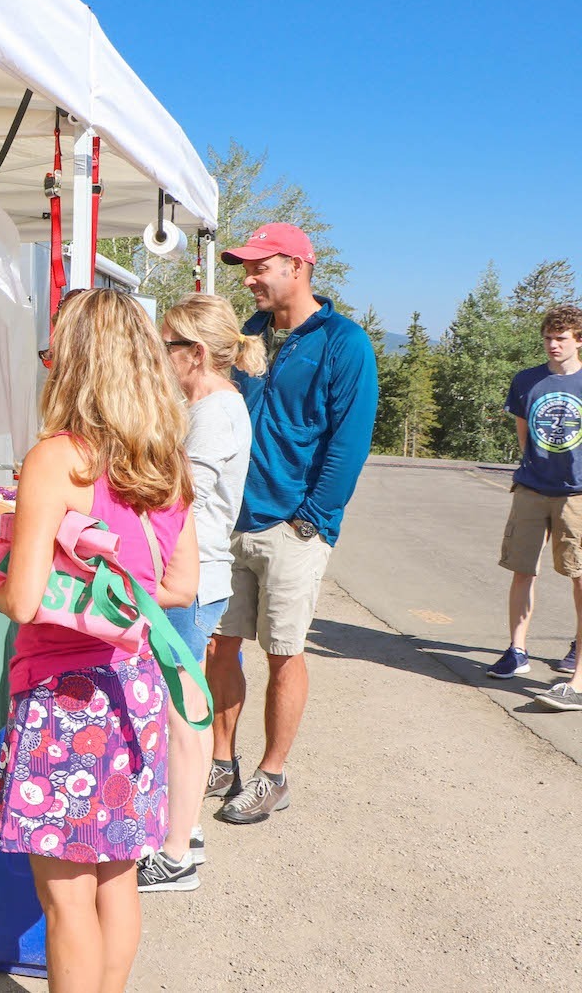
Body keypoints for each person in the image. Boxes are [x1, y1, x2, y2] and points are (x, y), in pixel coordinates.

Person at [0, 288, 199, 992]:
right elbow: (178, 588)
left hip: (63, 696)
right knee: (118, 881)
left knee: (66, 897)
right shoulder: (167, 464)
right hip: (133, 689)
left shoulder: (59, 458)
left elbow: (20, 600)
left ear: (73, 362)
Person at [209, 222, 378, 826]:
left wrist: (312, 521)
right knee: (219, 643)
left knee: (283, 651)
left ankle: (271, 774)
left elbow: (348, 442)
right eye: (247, 269)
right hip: (231, 519)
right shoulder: (248, 336)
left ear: (298, 266)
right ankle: (221, 760)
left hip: (292, 527)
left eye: (260, 267)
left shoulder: (344, 342)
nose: (249, 279)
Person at [137, 294, 259, 892]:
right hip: (189, 576)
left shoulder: (215, 411)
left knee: (178, 709)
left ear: (197, 354)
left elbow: (176, 493)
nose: (160, 358)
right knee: (175, 702)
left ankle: (175, 851)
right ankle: (179, 827)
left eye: (166, 348)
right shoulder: (204, 404)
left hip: (191, 578)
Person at [493, 304, 582, 705]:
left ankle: (578, 659)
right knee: (522, 570)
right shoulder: (528, 381)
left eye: (561, 338)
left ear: (578, 341)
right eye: (548, 337)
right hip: (531, 489)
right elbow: (524, 433)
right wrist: (535, 470)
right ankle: (517, 651)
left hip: (576, 495)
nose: (552, 345)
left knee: (579, 576)